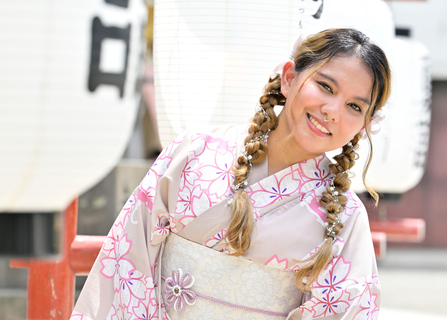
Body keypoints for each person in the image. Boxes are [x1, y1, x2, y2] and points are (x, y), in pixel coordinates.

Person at [70, 28, 391, 320]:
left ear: (364, 124)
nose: (332, 111)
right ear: (290, 78)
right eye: (325, 86)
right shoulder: (195, 151)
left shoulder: (346, 217)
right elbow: (130, 258)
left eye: (354, 107)